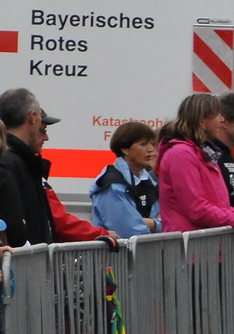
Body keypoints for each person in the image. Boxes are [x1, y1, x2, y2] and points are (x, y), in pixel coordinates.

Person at [0, 89, 112, 247]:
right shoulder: (12, 163)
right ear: (32, 118)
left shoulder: (22, 162)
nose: (46, 137)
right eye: (42, 126)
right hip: (25, 263)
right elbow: (18, 225)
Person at [156, 93, 234, 248]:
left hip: (206, 249)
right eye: (216, 116)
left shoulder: (203, 153)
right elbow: (197, 208)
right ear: (202, 122)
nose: (221, 120)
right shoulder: (181, 154)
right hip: (189, 252)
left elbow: (220, 205)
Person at [89, 121, 161, 238]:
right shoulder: (113, 184)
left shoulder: (149, 182)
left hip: (145, 252)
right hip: (117, 254)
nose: (150, 149)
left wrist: (153, 223)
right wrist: (157, 225)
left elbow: (170, 221)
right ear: (125, 149)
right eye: (143, 144)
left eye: (152, 144)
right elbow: (130, 231)